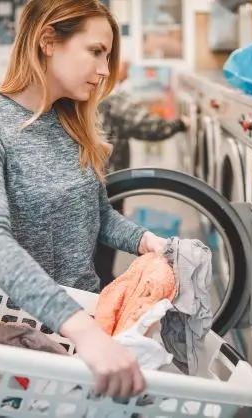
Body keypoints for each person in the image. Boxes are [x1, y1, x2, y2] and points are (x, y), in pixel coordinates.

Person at [0, 0, 167, 398]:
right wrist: (81, 329)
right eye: (96, 51)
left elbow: (98, 216)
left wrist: (146, 242)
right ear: (48, 40)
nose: (105, 70)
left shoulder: (71, 121)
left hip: (84, 325)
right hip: (20, 334)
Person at [94, 60, 189, 286]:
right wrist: (180, 124)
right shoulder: (111, 99)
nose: (127, 70)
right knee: (105, 231)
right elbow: (148, 126)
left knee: (98, 233)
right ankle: (101, 284)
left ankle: (101, 281)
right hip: (108, 180)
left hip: (98, 177)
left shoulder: (95, 95)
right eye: (123, 65)